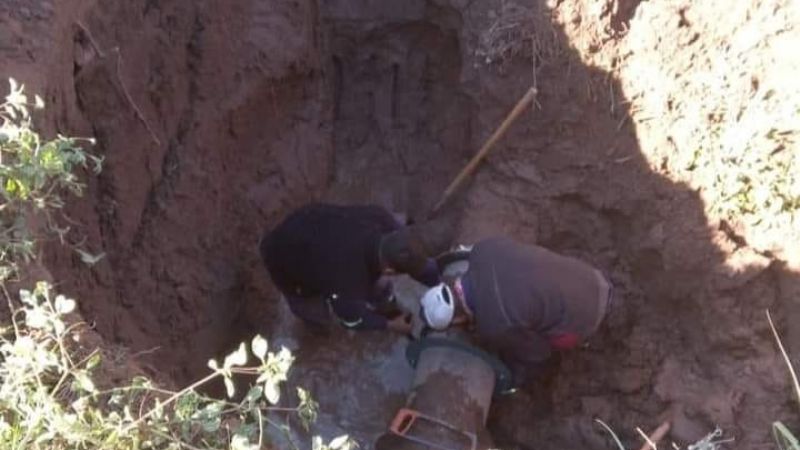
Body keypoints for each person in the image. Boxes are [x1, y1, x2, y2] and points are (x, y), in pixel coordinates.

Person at [419, 236, 613, 384]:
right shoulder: (484, 249)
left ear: (456, 320)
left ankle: (584, 338)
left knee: (545, 340)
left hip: (589, 313)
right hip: (588, 276)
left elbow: (539, 353)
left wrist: (514, 377)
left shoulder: (496, 325)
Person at [259, 203, 440, 333]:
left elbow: (417, 263)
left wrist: (442, 285)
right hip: (283, 259)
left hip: (309, 220)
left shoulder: (380, 218)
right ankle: (316, 331)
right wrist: (390, 326)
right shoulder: (348, 281)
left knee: (380, 287)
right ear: (390, 271)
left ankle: (384, 302)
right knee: (317, 315)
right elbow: (351, 321)